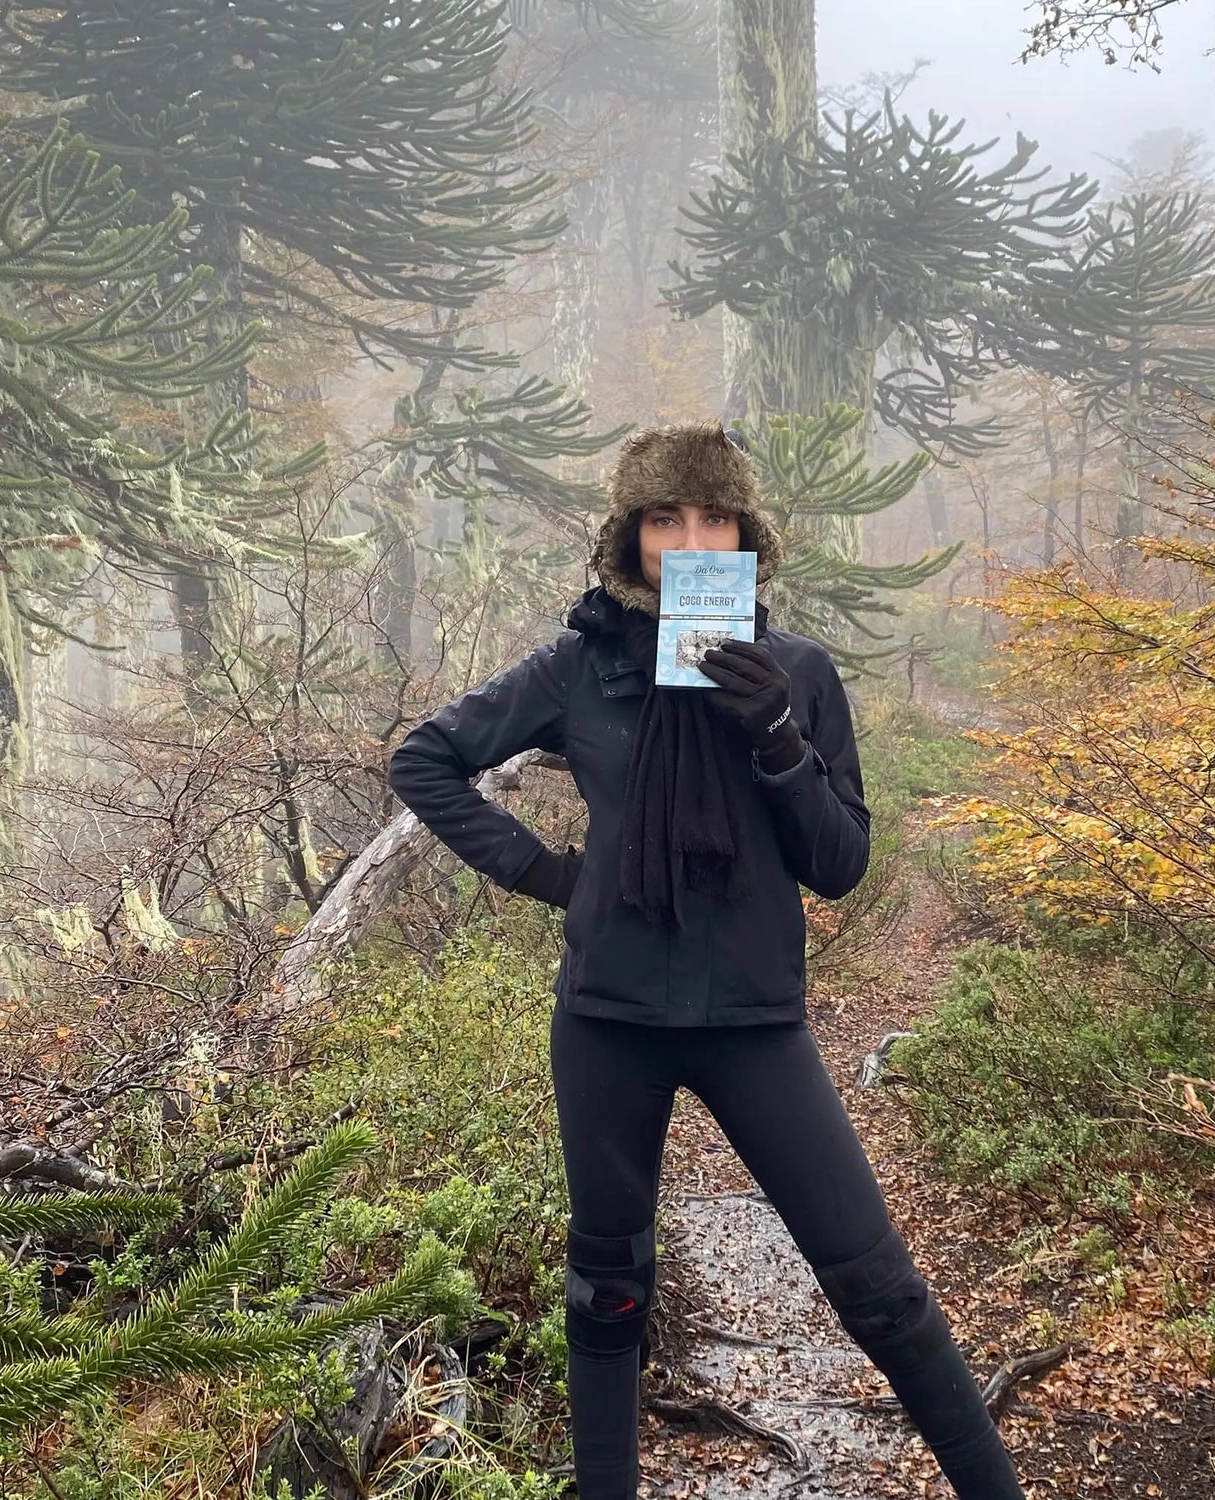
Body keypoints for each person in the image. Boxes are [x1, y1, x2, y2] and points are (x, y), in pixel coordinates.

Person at [387, 423, 1025, 1500]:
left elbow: (841, 864)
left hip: (755, 1026)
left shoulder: (798, 672)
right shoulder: (582, 667)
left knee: (881, 1291)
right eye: (665, 519)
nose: (690, 541)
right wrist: (554, 875)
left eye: (714, 518)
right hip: (609, 1022)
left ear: (746, 537)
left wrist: (776, 734)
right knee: (607, 1294)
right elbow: (426, 758)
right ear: (630, 538)